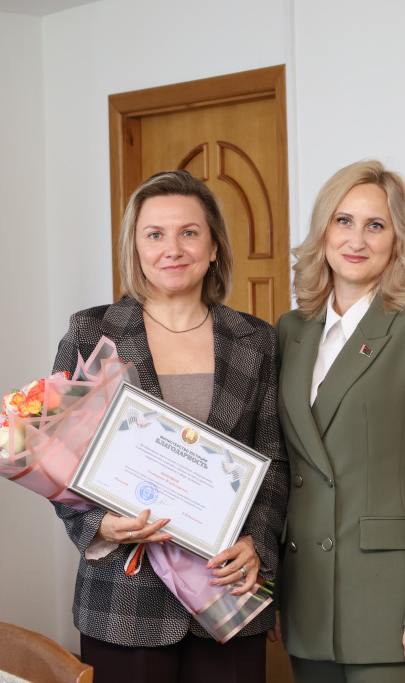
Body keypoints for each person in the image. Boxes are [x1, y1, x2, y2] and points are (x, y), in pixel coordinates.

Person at [51, 170, 288, 683]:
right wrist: (98, 525)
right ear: (135, 247)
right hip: (123, 596)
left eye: (189, 232)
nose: (172, 249)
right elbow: (56, 456)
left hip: (227, 591)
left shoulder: (257, 340)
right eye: (155, 234)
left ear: (214, 246)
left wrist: (258, 545)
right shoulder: (91, 332)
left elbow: (274, 460)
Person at [274, 160, 405, 682]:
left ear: (398, 238)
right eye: (343, 221)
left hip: (395, 608)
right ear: (323, 231)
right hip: (309, 603)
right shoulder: (292, 331)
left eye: (375, 225)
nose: (356, 240)